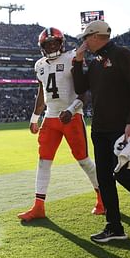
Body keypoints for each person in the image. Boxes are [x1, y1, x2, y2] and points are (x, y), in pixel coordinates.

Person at [72, 20, 130, 243]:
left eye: (86, 38)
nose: (84, 42)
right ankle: (114, 228)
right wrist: (77, 62)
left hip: (122, 128)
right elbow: (80, 88)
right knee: (104, 179)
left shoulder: (122, 54)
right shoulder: (94, 62)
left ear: (95, 36)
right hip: (100, 129)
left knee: (122, 173)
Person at [18, 27, 105, 222]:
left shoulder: (72, 58)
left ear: (61, 43)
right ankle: (38, 207)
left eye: (54, 43)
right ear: (42, 47)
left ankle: (102, 198)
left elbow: (84, 92)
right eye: (47, 44)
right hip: (50, 118)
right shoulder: (39, 65)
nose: (51, 46)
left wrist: (72, 110)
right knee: (43, 162)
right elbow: (42, 94)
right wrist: (34, 118)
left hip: (71, 117)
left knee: (83, 160)